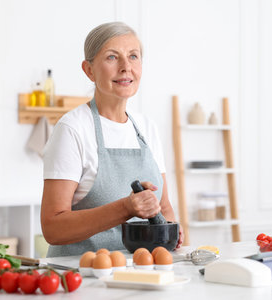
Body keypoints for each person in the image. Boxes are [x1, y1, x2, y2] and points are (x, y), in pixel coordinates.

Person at [41, 22, 183, 257]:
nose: (126, 67)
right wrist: (126, 208)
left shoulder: (147, 128)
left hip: (141, 274)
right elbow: (52, 228)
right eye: (112, 57)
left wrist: (169, 232)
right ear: (89, 70)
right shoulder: (72, 129)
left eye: (133, 56)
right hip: (83, 277)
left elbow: (164, 207)